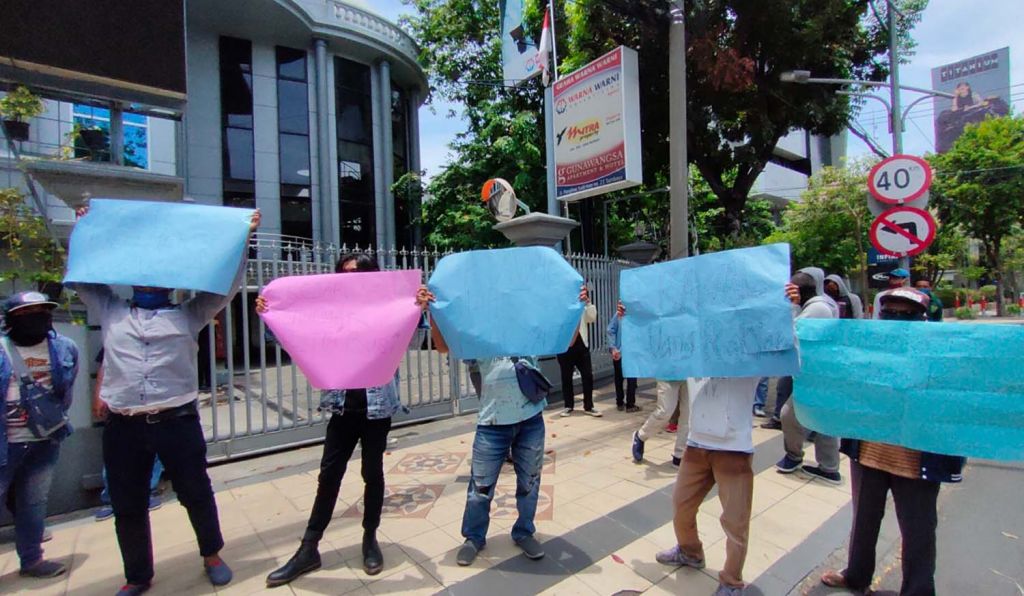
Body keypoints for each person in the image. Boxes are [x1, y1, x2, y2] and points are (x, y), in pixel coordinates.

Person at [67, 205, 260, 596]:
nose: (150, 284)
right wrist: (84, 228)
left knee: (195, 492)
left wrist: (243, 239)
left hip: (176, 421)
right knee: (127, 503)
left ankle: (212, 555)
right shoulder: (111, 310)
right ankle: (138, 575)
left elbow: (227, 286)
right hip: (123, 425)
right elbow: (83, 279)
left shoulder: (189, 314)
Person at [262, 254, 430, 586]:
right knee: (329, 476)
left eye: (358, 272)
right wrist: (270, 312)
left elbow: (411, 342)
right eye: (345, 272)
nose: (351, 277)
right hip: (342, 409)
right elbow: (293, 336)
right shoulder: (332, 311)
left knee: (372, 474)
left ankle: (370, 539)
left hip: (376, 410)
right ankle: (309, 548)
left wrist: (417, 309)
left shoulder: (385, 310)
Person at [820, 287, 965, 596]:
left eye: (906, 314)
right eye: (890, 313)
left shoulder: (940, 359)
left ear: (922, 319)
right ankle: (856, 575)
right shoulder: (867, 354)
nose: (897, 319)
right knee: (863, 520)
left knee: (918, 529)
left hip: (915, 462)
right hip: (869, 453)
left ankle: (918, 590)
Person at [434, 284, 590, 566]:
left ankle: (524, 531)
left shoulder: (529, 328)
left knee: (529, 482)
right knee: (480, 487)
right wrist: (432, 311)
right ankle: (474, 537)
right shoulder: (478, 332)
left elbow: (565, 342)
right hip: (492, 423)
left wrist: (578, 307)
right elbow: (444, 346)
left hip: (531, 420)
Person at [656, 374, 763, 595]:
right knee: (681, 505)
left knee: (735, 521)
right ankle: (690, 551)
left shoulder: (750, 357)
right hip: (697, 443)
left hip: (734, 449)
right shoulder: (695, 356)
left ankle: (732, 581)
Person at [0, 291, 79, 579]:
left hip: (45, 440)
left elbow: (65, 393)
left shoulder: (65, 348)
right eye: (26, 313)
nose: (36, 317)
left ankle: (32, 560)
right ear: (10, 319)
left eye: (42, 311)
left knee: (33, 502)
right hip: (5, 443)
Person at [776, 267, 842, 484]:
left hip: (818, 376)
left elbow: (793, 335)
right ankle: (829, 467)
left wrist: (793, 307)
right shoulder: (821, 304)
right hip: (820, 374)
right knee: (824, 420)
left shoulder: (817, 308)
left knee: (789, 415)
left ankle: (795, 456)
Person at [92, 349, 163, 522]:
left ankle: (148, 491)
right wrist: (99, 395)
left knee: (153, 449)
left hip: (155, 403)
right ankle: (112, 498)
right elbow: (105, 365)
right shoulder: (117, 336)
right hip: (122, 407)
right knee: (116, 455)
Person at [619, 303, 688, 466]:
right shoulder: (661, 305)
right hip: (667, 368)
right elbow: (645, 319)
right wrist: (627, 315)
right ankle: (641, 436)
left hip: (690, 367)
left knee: (688, 415)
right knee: (665, 410)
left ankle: (680, 454)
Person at [557, 285, 599, 417]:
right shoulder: (562, 306)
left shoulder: (582, 305)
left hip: (582, 344)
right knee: (566, 377)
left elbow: (592, 318)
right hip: (565, 346)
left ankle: (589, 406)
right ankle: (568, 405)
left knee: (587, 375)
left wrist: (588, 303)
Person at [606, 304, 639, 412]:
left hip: (623, 352)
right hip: (623, 352)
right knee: (628, 378)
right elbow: (610, 330)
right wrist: (613, 348)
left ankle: (621, 403)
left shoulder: (624, 315)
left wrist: (613, 347)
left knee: (622, 379)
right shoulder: (622, 314)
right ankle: (629, 404)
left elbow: (610, 330)